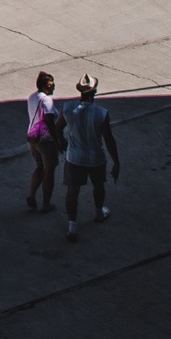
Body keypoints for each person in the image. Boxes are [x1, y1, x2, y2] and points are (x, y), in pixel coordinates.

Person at [63, 74, 120, 240]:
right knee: (98, 185)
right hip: (95, 157)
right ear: (94, 92)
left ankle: (72, 225)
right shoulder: (101, 113)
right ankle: (98, 212)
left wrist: (61, 142)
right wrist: (116, 162)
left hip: (74, 158)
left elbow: (58, 127)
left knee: (72, 190)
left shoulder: (68, 108)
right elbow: (109, 139)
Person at [26, 71, 63, 211]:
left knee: (40, 167)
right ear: (44, 86)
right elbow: (49, 121)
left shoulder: (31, 97)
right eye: (50, 85)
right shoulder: (47, 100)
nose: (53, 87)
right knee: (49, 171)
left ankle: (31, 195)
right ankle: (46, 205)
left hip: (31, 138)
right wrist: (57, 139)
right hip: (45, 141)